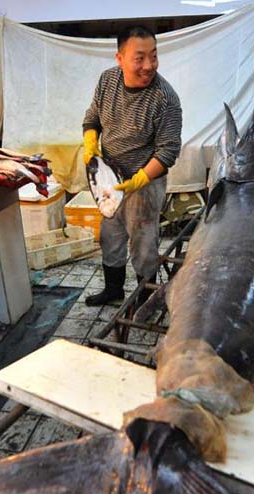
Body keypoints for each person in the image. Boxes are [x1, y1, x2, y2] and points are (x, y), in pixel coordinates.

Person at [82, 25, 182, 307]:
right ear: (120, 58)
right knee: (110, 236)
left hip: (145, 183)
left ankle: (146, 297)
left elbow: (168, 152)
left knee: (143, 243)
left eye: (153, 56)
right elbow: (92, 118)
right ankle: (114, 289)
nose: (149, 65)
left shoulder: (166, 99)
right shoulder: (107, 81)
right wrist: (90, 144)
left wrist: (139, 180)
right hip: (108, 178)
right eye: (139, 58)